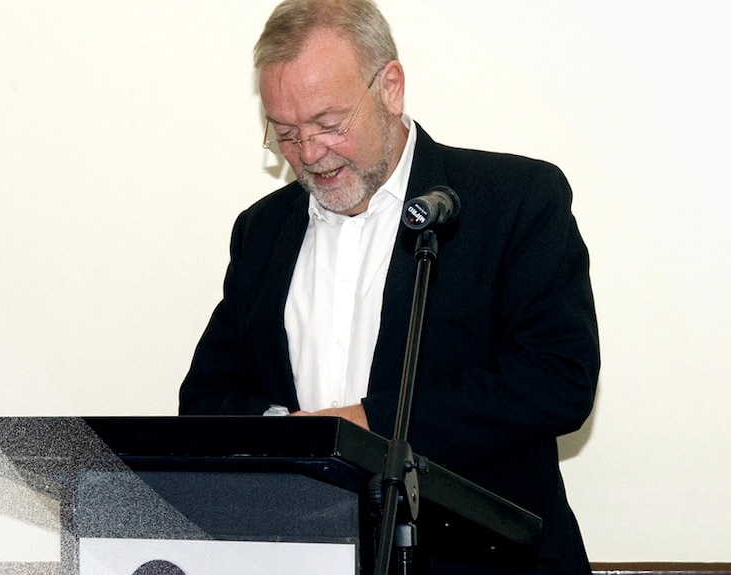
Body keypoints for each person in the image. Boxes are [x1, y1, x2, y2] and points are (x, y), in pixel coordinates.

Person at [178, 1, 600, 573]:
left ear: (391, 88)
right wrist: (292, 439)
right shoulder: (263, 230)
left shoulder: (513, 200)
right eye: (286, 133)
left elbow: (557, 380)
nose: (309, 154)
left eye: (329, 124)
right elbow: (204, 399)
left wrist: (366, 428)